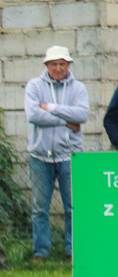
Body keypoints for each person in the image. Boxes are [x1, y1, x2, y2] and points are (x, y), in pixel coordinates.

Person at [24, 45, 89, 261]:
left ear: (68, 65)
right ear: (46, 65)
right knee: (40, 209)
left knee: (73, 207)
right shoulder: (34, 85)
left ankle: (73, 251)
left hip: (70, 156)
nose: (58, 68)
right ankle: (41, 253)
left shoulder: (78, 88)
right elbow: (33, 115)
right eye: (54, 64)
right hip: (40, 156)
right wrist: (65, 121)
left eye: (62, 64)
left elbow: (82, 114)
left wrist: (50, 108)